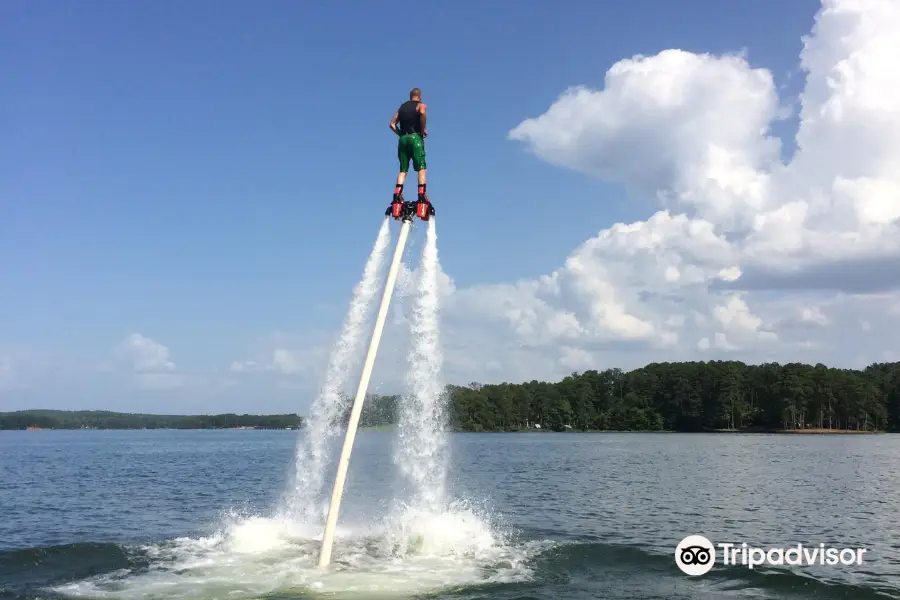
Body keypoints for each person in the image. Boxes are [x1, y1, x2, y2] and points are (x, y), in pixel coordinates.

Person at [389, 88, 429, 205]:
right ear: (419, 96)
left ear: (410, 96)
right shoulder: (421, 105)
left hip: (403, 139)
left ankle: (397, 194)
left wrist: (400, 134)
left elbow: (392, 124)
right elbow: (422, 112)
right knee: (421, 167)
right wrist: (422, 130)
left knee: (403, 170)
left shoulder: (402, 108)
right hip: (415, 138)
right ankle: (421, 195)